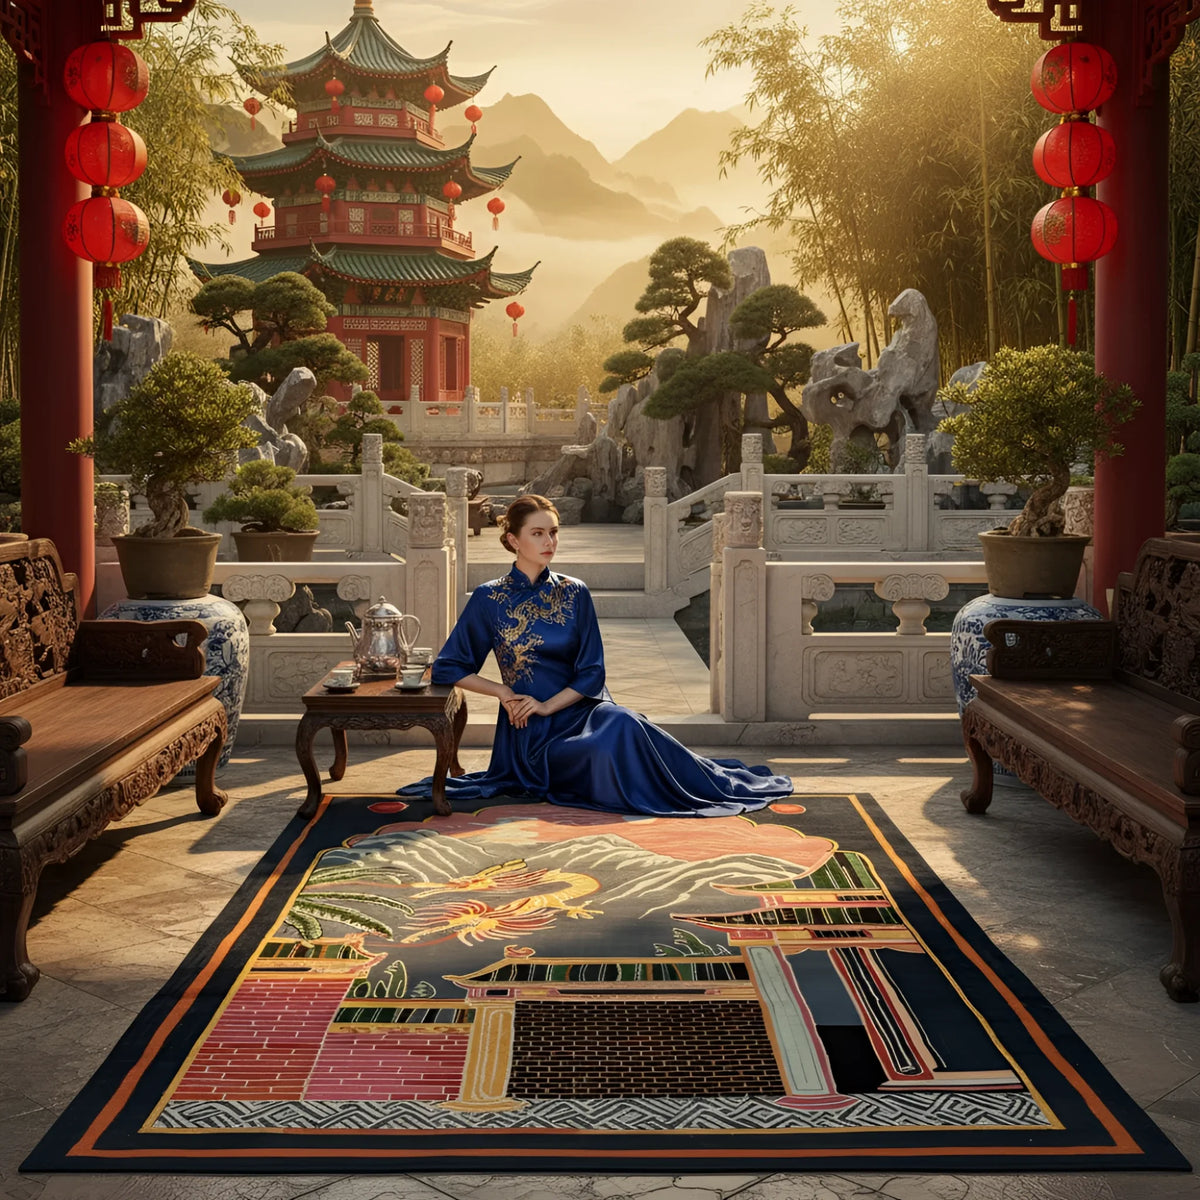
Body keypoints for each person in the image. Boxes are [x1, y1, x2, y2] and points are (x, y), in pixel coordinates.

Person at [397, 494, 793, 816]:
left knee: (622, 721)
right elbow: (448, 668)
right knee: (612, 741)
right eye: (537, 534)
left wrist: (548, 705)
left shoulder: (574, 592)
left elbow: (592, 673)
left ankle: (701, 780)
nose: (549, 542)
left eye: (553, 532)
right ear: (514, 540)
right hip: (529, 734)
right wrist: (505, 694)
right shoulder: (489, 598)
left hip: (581, 710)